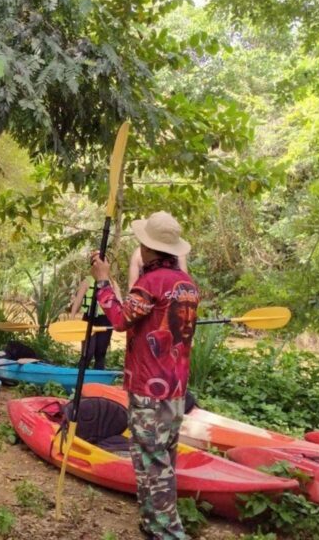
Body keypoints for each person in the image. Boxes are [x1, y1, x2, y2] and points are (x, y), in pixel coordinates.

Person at [91, 211, 199, 540]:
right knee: (157, 456)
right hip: (176, 388)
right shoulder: (188, 285)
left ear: (149, 249)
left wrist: (103, 281)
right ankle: (152, 523)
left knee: (153, 462)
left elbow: (120, 320)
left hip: (149, 390)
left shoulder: (150, 284)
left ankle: (169, 533)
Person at [68, 269, 113, 370]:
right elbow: (78, 300)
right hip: (89, 319)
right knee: (88, 352)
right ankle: (80, 378)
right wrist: (72, 317)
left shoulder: (111, 282)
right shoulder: (87, 281)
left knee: (100, 353)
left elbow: (117, 299)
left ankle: (98, 380)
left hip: (105, 320)